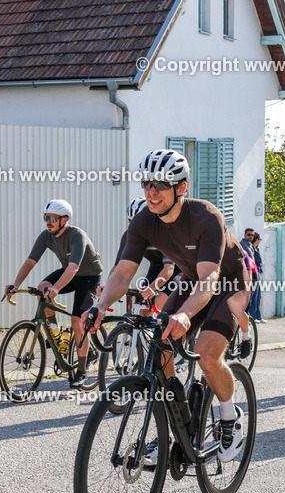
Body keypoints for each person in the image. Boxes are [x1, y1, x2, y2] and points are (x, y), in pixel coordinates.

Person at [89, 149, 250, 463]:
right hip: (192, 279)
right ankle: (179, 422)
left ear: (182, 188)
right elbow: (123, 272)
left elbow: (210, 277)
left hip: (229, 281)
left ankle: (230, 418)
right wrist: (100, 306)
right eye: (147, 183)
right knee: (160, 345)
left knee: (206, 353)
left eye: (161, 184)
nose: (152, 191)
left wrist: (185, 313)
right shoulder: (143, 221)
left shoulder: (206, 216)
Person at [6, 199, 103, 388]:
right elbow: (30, 261)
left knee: (77, 321)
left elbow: (74, 267)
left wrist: (56, 288)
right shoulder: (46, 236)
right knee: (42, 289)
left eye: (53, 218)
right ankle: (57, 335)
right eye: (46, 217)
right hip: (69, 272)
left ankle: (82, 371)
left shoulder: (77, 236)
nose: (48, 222)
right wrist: (16, 284)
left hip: (89, 276)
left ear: (64, 220)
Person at [248, 232, 265, 322]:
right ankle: (253, 317)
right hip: (255, 274)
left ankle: (258, 316)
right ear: (257, 240)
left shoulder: (256, 249)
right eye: (260, 240)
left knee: (258, 296)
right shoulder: (251, 250)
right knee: (254, 296)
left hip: (259, 273)